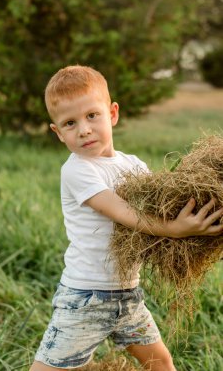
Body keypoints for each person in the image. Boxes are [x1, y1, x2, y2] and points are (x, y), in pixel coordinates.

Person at [30, 65, 223, 371]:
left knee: (161, 363)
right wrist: (175, 230)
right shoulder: (77, 170)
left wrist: (202, 221)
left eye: (92, 115)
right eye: (70, 123)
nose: (84, 129)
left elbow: (161, 207)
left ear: (113, 113)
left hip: (128, 296)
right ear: (58, 133)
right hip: (85, 298)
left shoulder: (134, 165)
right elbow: (124, 213)